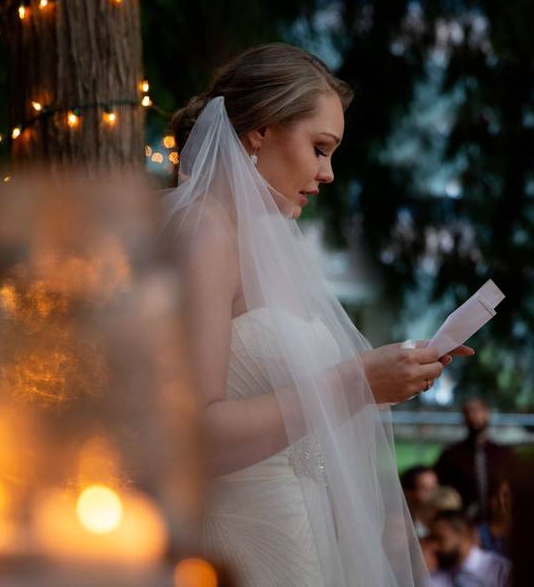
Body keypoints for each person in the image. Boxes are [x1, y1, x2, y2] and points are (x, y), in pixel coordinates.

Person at [158, 42, 476, 586]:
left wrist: (390, 371)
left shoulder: (262, 243)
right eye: (320, 148)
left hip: (303, 530)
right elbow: (190, 435)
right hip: (241, 544)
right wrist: (355, 381)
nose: (327, 174)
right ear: (259, 132)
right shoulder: (203, 233)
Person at [434, 398, 515, 521]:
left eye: (478, 411)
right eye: (469, 412)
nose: (474, 417)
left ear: (487, 414)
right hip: (462, 521)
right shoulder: (451, 455)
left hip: (498, 519)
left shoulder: (504, 454)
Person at [427, 510, 511, 587]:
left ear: (462, 533)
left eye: (440, 539)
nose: (434, 546)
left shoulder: (499, 569)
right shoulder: (436, 578)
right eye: (432, 539)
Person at [400, 465, 439, 537]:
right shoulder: (400, 524)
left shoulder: (443, 519)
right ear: (408, 492)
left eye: (434, 488)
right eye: (425, 490)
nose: (433, 494)